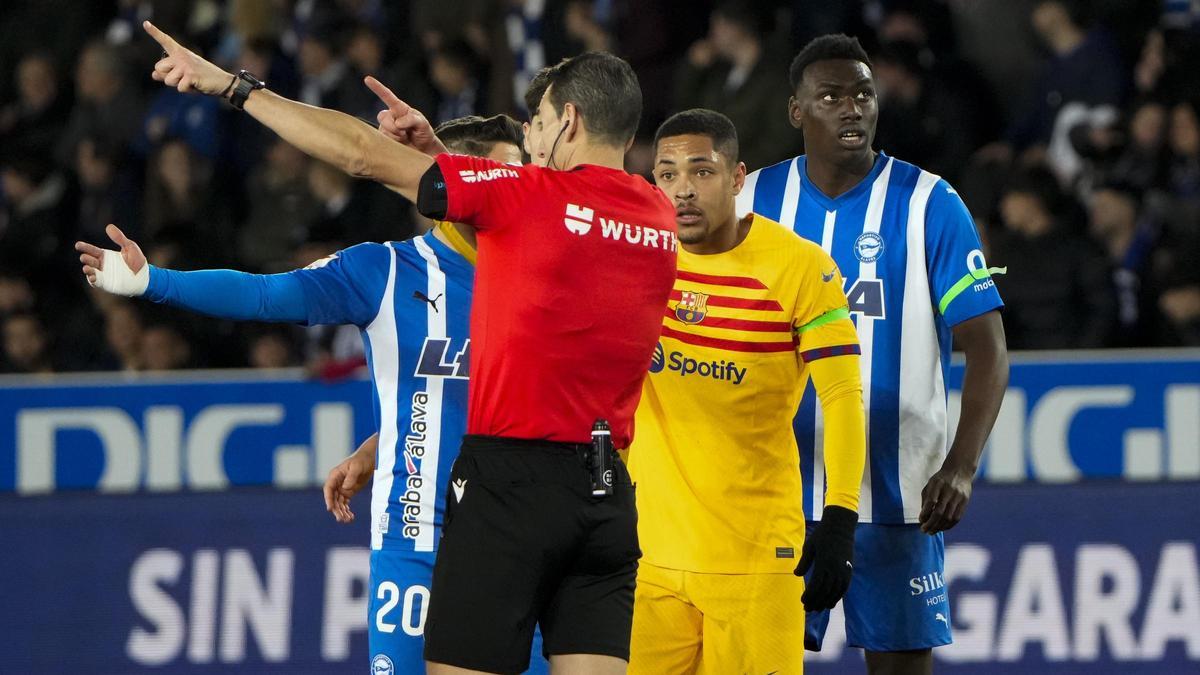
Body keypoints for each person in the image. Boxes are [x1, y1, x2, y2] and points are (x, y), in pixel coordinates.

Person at [141, 22, 677, 674]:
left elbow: (362, 154)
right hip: (607, 495)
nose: (531, 141)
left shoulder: (528, 195)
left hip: (511, 487)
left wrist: (235, 86)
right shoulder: (659, 214)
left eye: (536, 122)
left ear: (568, 121)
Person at [76, 115, 549, 675]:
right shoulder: (387, 270)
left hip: (525, 545)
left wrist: (377, 445)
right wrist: (156, 282)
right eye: (504, 173)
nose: (518, 189)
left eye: (522, 175)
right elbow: (264, 296)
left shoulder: (544, 274)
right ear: (459, 184)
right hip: (416, 544)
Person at [735, 34, 1010, 675]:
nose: (852, 108)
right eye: (831, 96)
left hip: (895, 494)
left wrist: (963, 467)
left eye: (862, 94)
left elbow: (988, 348)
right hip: (772, 492)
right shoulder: (750, 203)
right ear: (797, 111)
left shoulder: (929, 203)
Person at [627, 108, 865, 673]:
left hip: (756, 564)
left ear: (737, 178)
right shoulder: (637, 258)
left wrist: (840, 520)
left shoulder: (802, 268)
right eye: (667, 174)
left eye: (701, 171)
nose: (683, 189)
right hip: (648, 561)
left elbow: (842, 397)